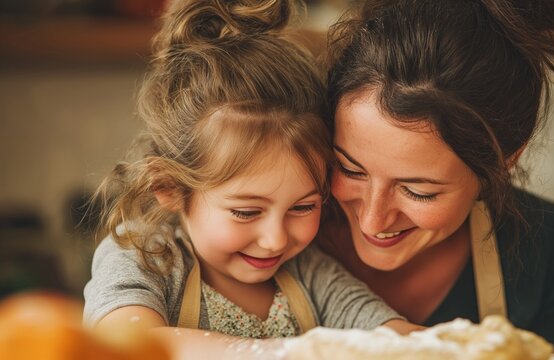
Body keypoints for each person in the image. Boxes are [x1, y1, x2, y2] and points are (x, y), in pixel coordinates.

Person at [83, 0, 418, 358]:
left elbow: (392, 339)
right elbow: (129, 345)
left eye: (304, 206)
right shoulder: (143, 256)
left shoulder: (308, 273)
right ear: (169, 186)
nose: (275, 240)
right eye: (246, 212)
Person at [317, 0, 554, 351]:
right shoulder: (260, 235)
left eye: (418, 191)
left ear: (504, 160)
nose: (373, 221)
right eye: (348, 168)